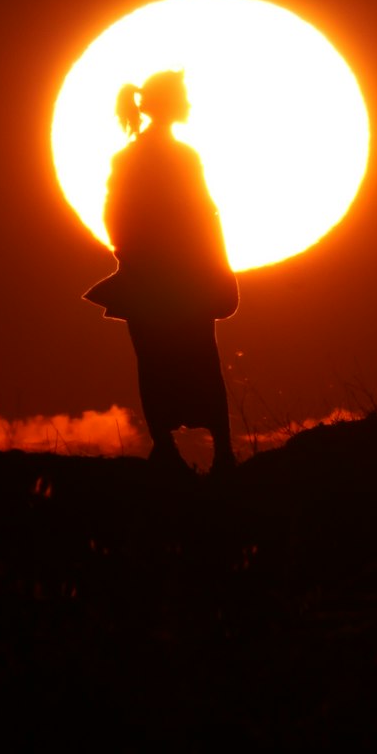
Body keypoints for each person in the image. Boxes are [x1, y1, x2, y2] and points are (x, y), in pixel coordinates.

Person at [83, 70, 239, 473]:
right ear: (168, 103)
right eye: (183, 96)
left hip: (151, 279)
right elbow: (204, 216)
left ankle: (169, 451)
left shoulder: (130, 158)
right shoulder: (182, 157)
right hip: (183, 279)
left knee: (154, 361)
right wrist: (217, 268)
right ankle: (220, 454)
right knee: (201, 358)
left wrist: (133, 261)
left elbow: (114, 217)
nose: (188, 103)